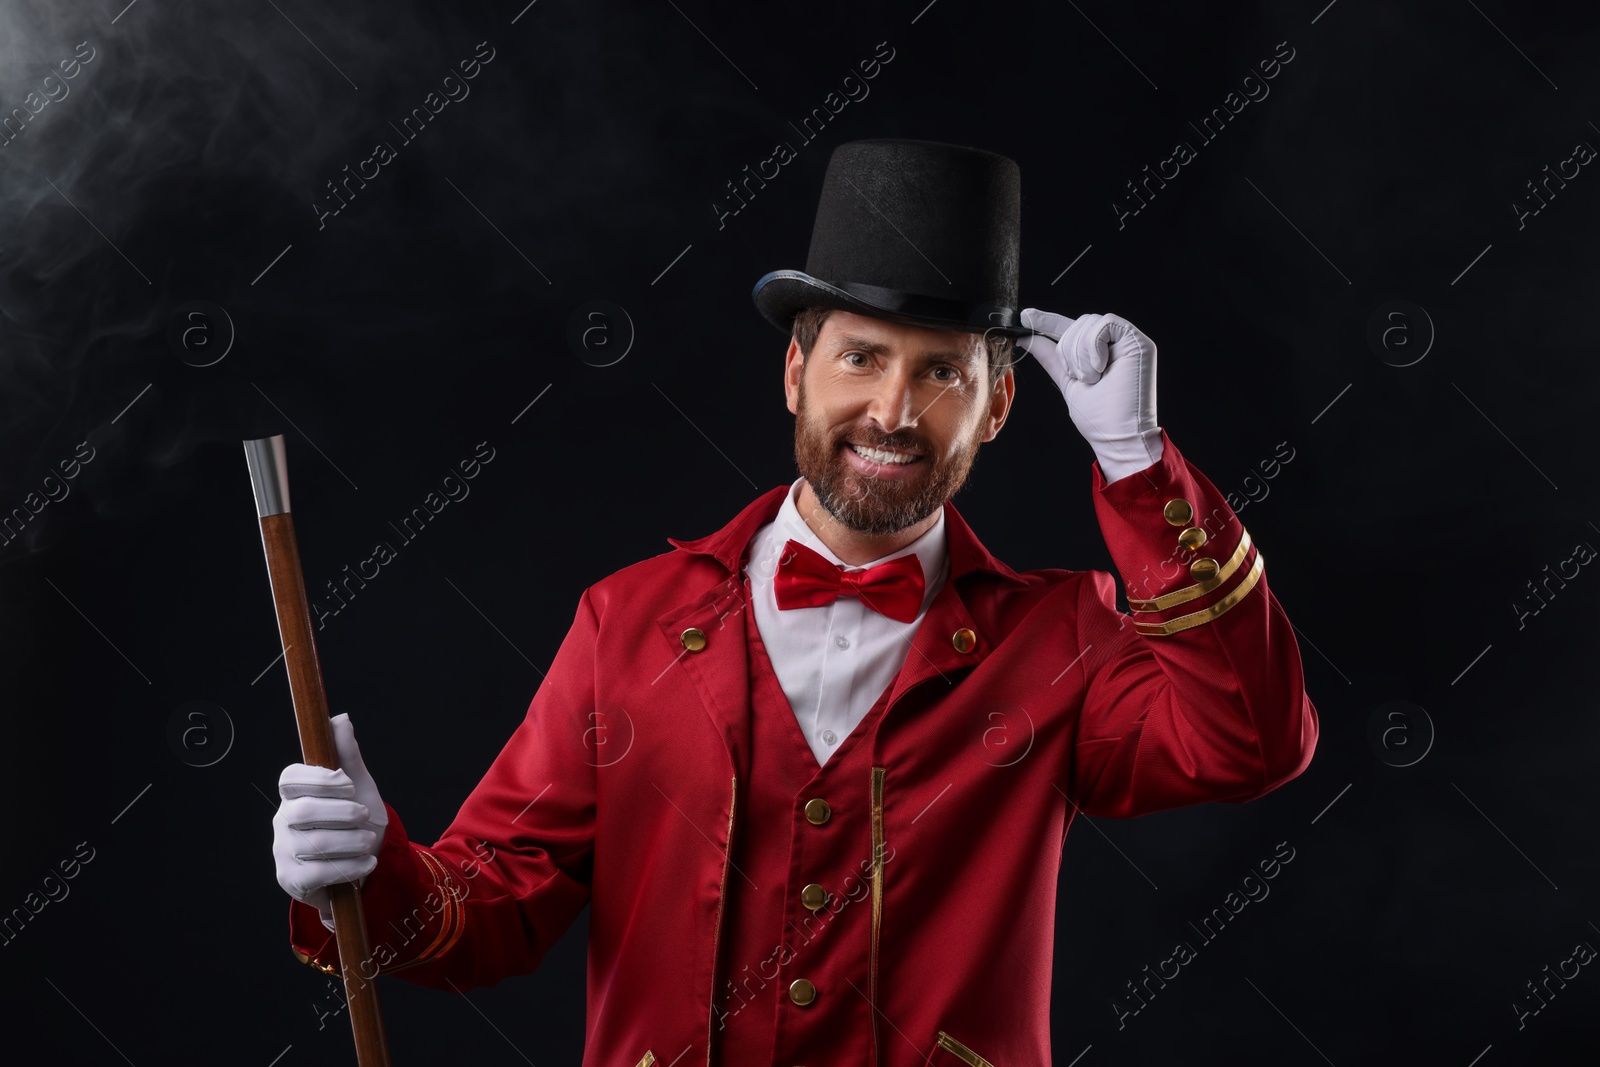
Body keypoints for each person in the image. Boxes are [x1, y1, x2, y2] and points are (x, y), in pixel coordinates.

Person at [271, 138, 1318, 1067]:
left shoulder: (1064, 635)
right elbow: (493, 908)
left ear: (997, 405)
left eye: (943, 372)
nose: (894, 410)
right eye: (860, 356)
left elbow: (1251, 739)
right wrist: (370, 871)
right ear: (794, 371)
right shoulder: (624, 620)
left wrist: (1135, 462)